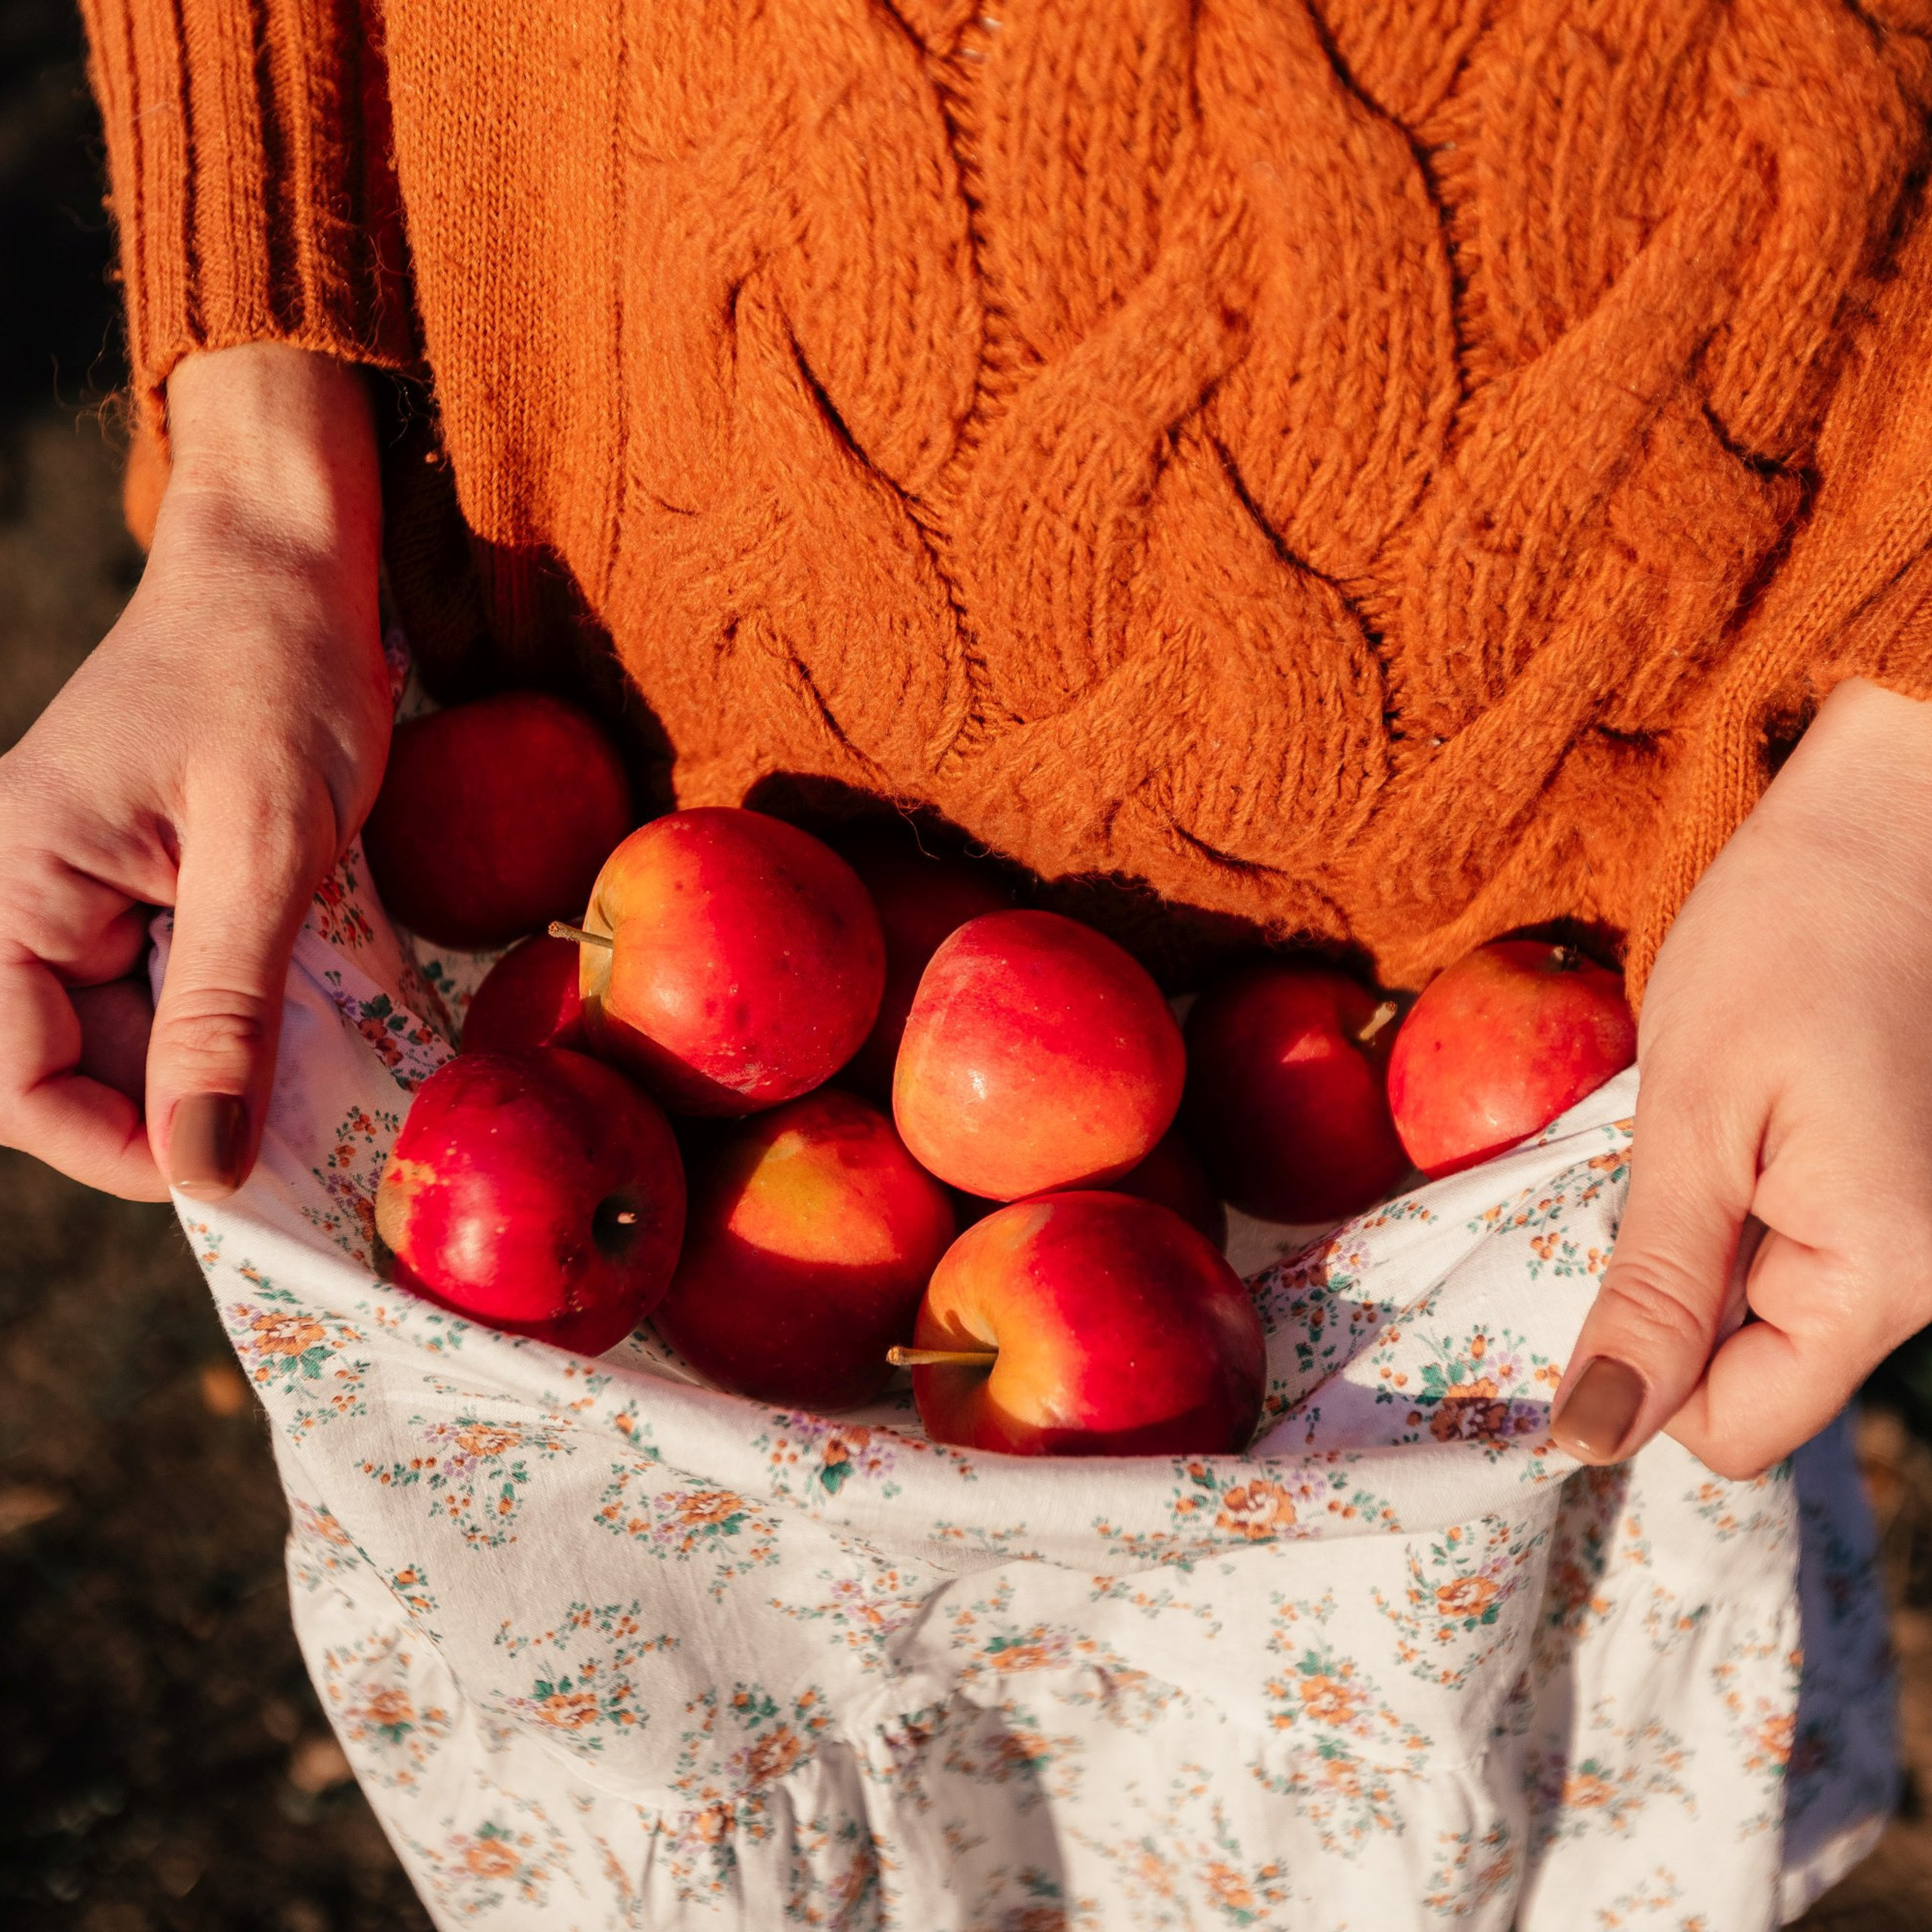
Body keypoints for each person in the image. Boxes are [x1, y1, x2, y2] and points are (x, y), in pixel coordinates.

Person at [5, 0, 1930, 1913]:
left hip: (1533, 1002)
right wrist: (262, 477)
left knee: (1363, 1774)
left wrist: (1906, 786)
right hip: (603, 729)